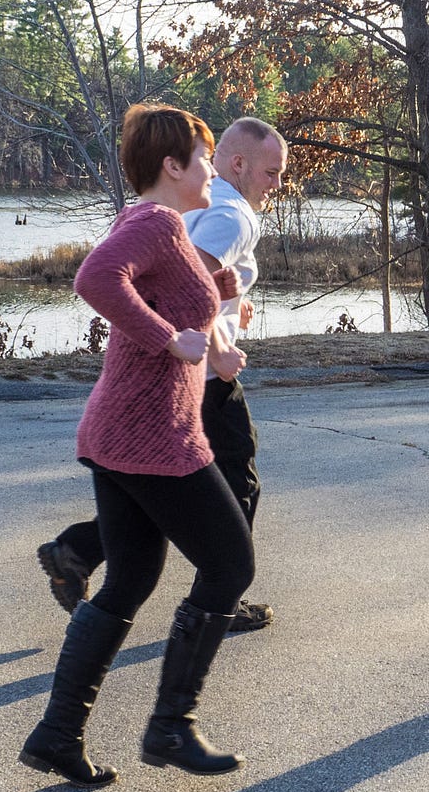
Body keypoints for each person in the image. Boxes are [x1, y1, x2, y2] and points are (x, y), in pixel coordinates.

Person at [20, 104, 253, 788]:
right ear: (173, 167)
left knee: (129, 578)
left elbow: (167, 295)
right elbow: (95, 280)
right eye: (204, 159)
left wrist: (215, 308)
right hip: (154, 435)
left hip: (120, 431)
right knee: (229, 565)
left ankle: (57, 736)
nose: (211, 169)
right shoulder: (153, 221)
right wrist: (169, 338)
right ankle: (169, 727)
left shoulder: (162, 228)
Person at [37, 117, 288, 633]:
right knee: (233, 482)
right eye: (272, 172)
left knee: (158, 501)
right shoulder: (233, 214)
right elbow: (182, 277)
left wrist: (228, 301)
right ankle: (219, 594)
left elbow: (185, 280)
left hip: (175, 371)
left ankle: (79, 549)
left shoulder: (190, 204)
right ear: (237, 164)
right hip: (194, 374)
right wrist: (209, 342)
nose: (278, 186)